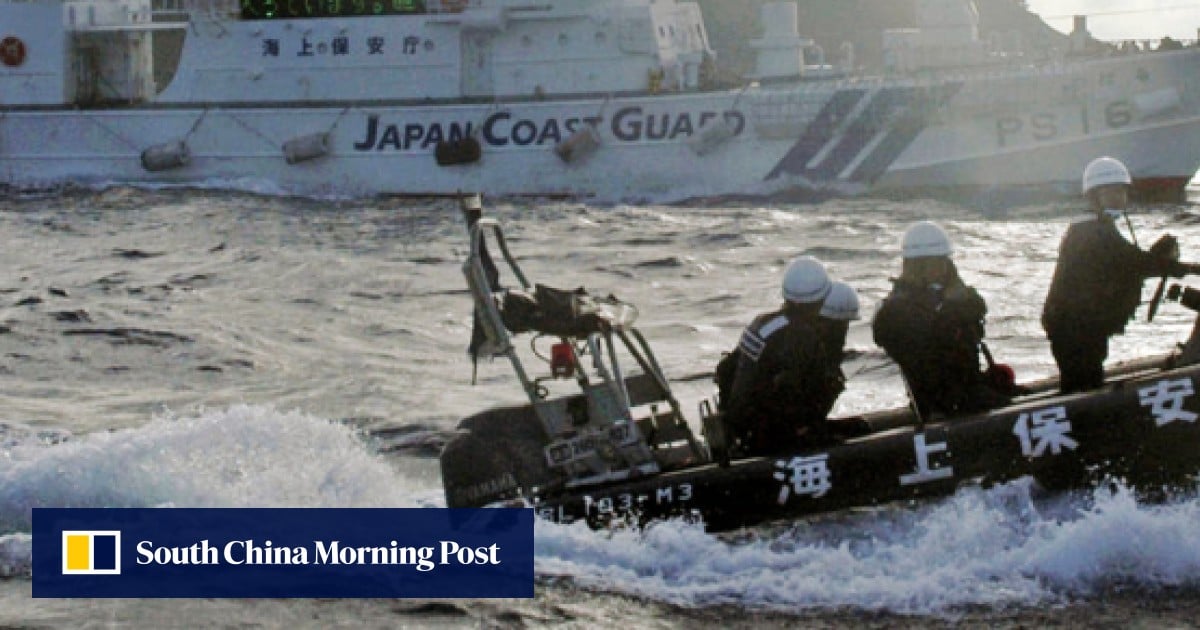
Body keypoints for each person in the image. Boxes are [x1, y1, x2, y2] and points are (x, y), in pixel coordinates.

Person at [1042, 156, 1189, 393]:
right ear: (1094, 197)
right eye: (1112, 193)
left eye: (1122, 193)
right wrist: (1179, 268)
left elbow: (1128, 261)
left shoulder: (1098, 227)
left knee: (1088, 375)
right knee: (1081, 383)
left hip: (1083, 325)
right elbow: (1131, 261)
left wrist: (1162, 263)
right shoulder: (1089, 232)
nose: (1120, 199)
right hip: (1072, 327)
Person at [873, 221, 1010, 418]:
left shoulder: (953, 294)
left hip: (968, 386)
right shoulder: (896, 311)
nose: (942, 268)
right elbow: (925, 356)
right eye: (935, 262)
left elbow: (977, 307)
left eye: (943, 261)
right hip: (939, 400)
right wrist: (948, 309)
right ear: (916, 266)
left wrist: (955, 303)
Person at [719, 256, 847, 455]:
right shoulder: (802, 336)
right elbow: (792, 391)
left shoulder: (761, 322)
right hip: (769, 436)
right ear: (821, 300)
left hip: (742, 425)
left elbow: (728, 369)